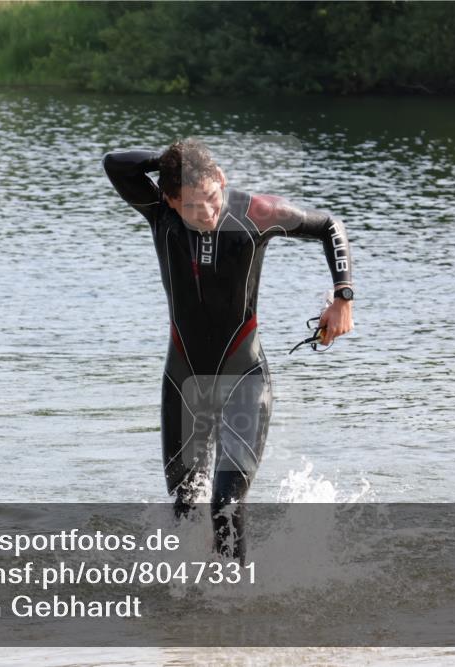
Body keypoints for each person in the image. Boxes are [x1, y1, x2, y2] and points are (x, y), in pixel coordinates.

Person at [102, 138, 354, 563]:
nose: (207, 213)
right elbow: (114, 163)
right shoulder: (160, 214)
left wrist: (342, 297)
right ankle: (194, 617)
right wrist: (171, 159)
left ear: (221, 180)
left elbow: (328, 225)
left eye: (212, 198)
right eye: (192, 206)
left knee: (225, 503)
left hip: (244, 376)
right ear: (170, 199)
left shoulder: (255, 214)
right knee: (185, 509)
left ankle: (232, 601)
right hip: (184, 380)